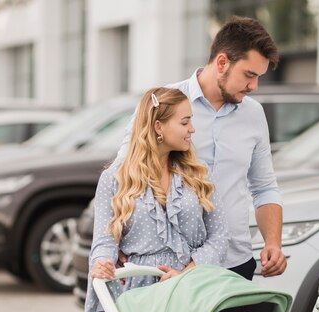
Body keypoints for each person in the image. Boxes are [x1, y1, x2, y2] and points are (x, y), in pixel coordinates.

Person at [82, 87, 230, 312]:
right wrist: (102, 263)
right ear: (158, 127)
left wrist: (188, 272)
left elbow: (219, 237)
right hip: (141, 299)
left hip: (192, 292)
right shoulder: (115, 178)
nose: (192, 129)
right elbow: (104, 240)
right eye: (185, 121)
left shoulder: (197, 175)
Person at [114, 16, 287, 281]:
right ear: (222, 63)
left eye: (258, 77)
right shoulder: (163, 103)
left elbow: (264, 187)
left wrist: (273, 242)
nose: (254, 86)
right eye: (249, 75)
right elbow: (125, 173)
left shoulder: (254, 114)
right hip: (172, 268)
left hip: (235, 264)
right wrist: (114, 243)